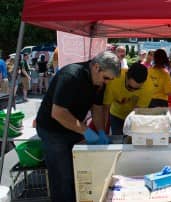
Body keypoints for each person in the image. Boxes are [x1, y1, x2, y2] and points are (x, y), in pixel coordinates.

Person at [35, 51, 121, 202]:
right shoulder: (70, 76)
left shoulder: (99, 82)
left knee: (78, 173)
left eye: (110, 80)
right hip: (52, 130)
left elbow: (97, 108)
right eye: (106, 78)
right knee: (63, 177)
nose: (107, 82)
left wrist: (101, 132)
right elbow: (58, 113)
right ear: (96, 67)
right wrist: (87, 131)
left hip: (73, 128)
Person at [103, 62, 152, 143]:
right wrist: (102, 131)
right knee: (117, 142)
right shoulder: (114, 79)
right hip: (116, 115)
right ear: (126, 76)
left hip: (133, 115)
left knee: (132, 143)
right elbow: (105, 108)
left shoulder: (149, 86)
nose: (132, 90)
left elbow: (138, 113)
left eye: (137, 89)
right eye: (129, 87)